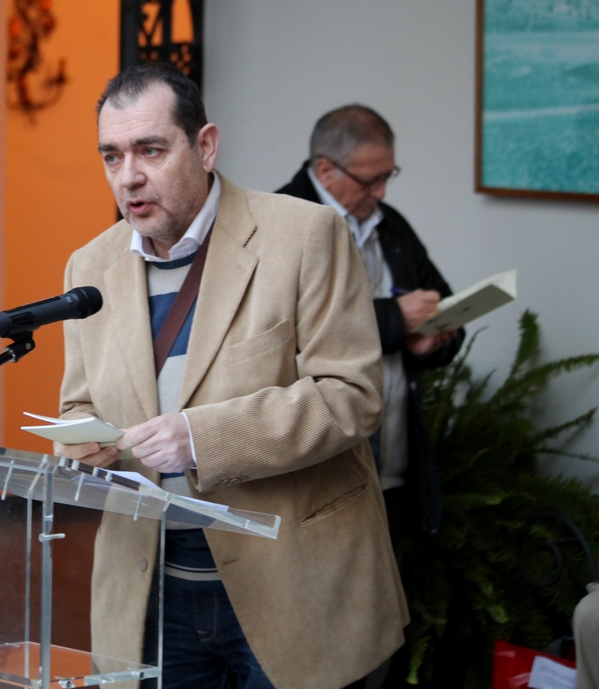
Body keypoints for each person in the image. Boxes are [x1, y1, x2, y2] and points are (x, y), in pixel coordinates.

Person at [55, 64, 405, 689]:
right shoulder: (89, 266)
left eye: (151, 150)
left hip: (293, 585)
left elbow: (351, 398)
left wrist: (199, 437)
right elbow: (79, 404)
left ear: (206, 146)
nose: (129, 175)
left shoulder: (306, 235)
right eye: (112, 156)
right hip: (151, 584)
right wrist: (83, 446)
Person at [276, 104, 463, 547]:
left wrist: (428, 345)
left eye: (388, 176)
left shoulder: (391, 226)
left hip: (395, 462)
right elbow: (289, 335)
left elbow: (442, 305)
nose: (381, 191)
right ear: (325, 169)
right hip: (316, 473)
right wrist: (396, 319)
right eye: (369, 179)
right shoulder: (279, 222)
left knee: (391, 604)